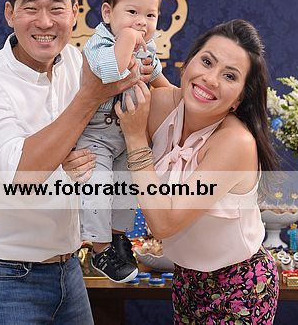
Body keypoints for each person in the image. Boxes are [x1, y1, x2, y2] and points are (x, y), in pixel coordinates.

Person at [0, 0, 145, 324]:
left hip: (69, 267)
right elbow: (21, 173)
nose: (45, 22)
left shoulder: (79, 61)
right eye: (31, 8)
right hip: (4, 273)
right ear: (10, 14)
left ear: (75, 14)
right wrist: (88, 98)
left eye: (57, 8)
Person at [115, 19, 280, 323]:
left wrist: (136, 138)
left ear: (239, 99)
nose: (210, 79)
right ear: (187, 63)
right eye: (206, 61)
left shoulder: (236, 142)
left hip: (241, 285)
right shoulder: (162, 105)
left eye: (229, 76)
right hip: (186, 280)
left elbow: (164, 223)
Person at [77, 0, 171, 283]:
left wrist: (181, 103)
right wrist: (129, 38)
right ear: (107, 13)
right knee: (98, 188)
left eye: (150, 15)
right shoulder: (99, 44)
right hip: (96, 136)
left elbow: (160, 83)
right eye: (132, 12)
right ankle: (100, 249)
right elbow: (112, 71)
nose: (142, 22)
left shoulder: (147, 49)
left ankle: (118, 238)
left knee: (126, 190)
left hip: (127, 135)